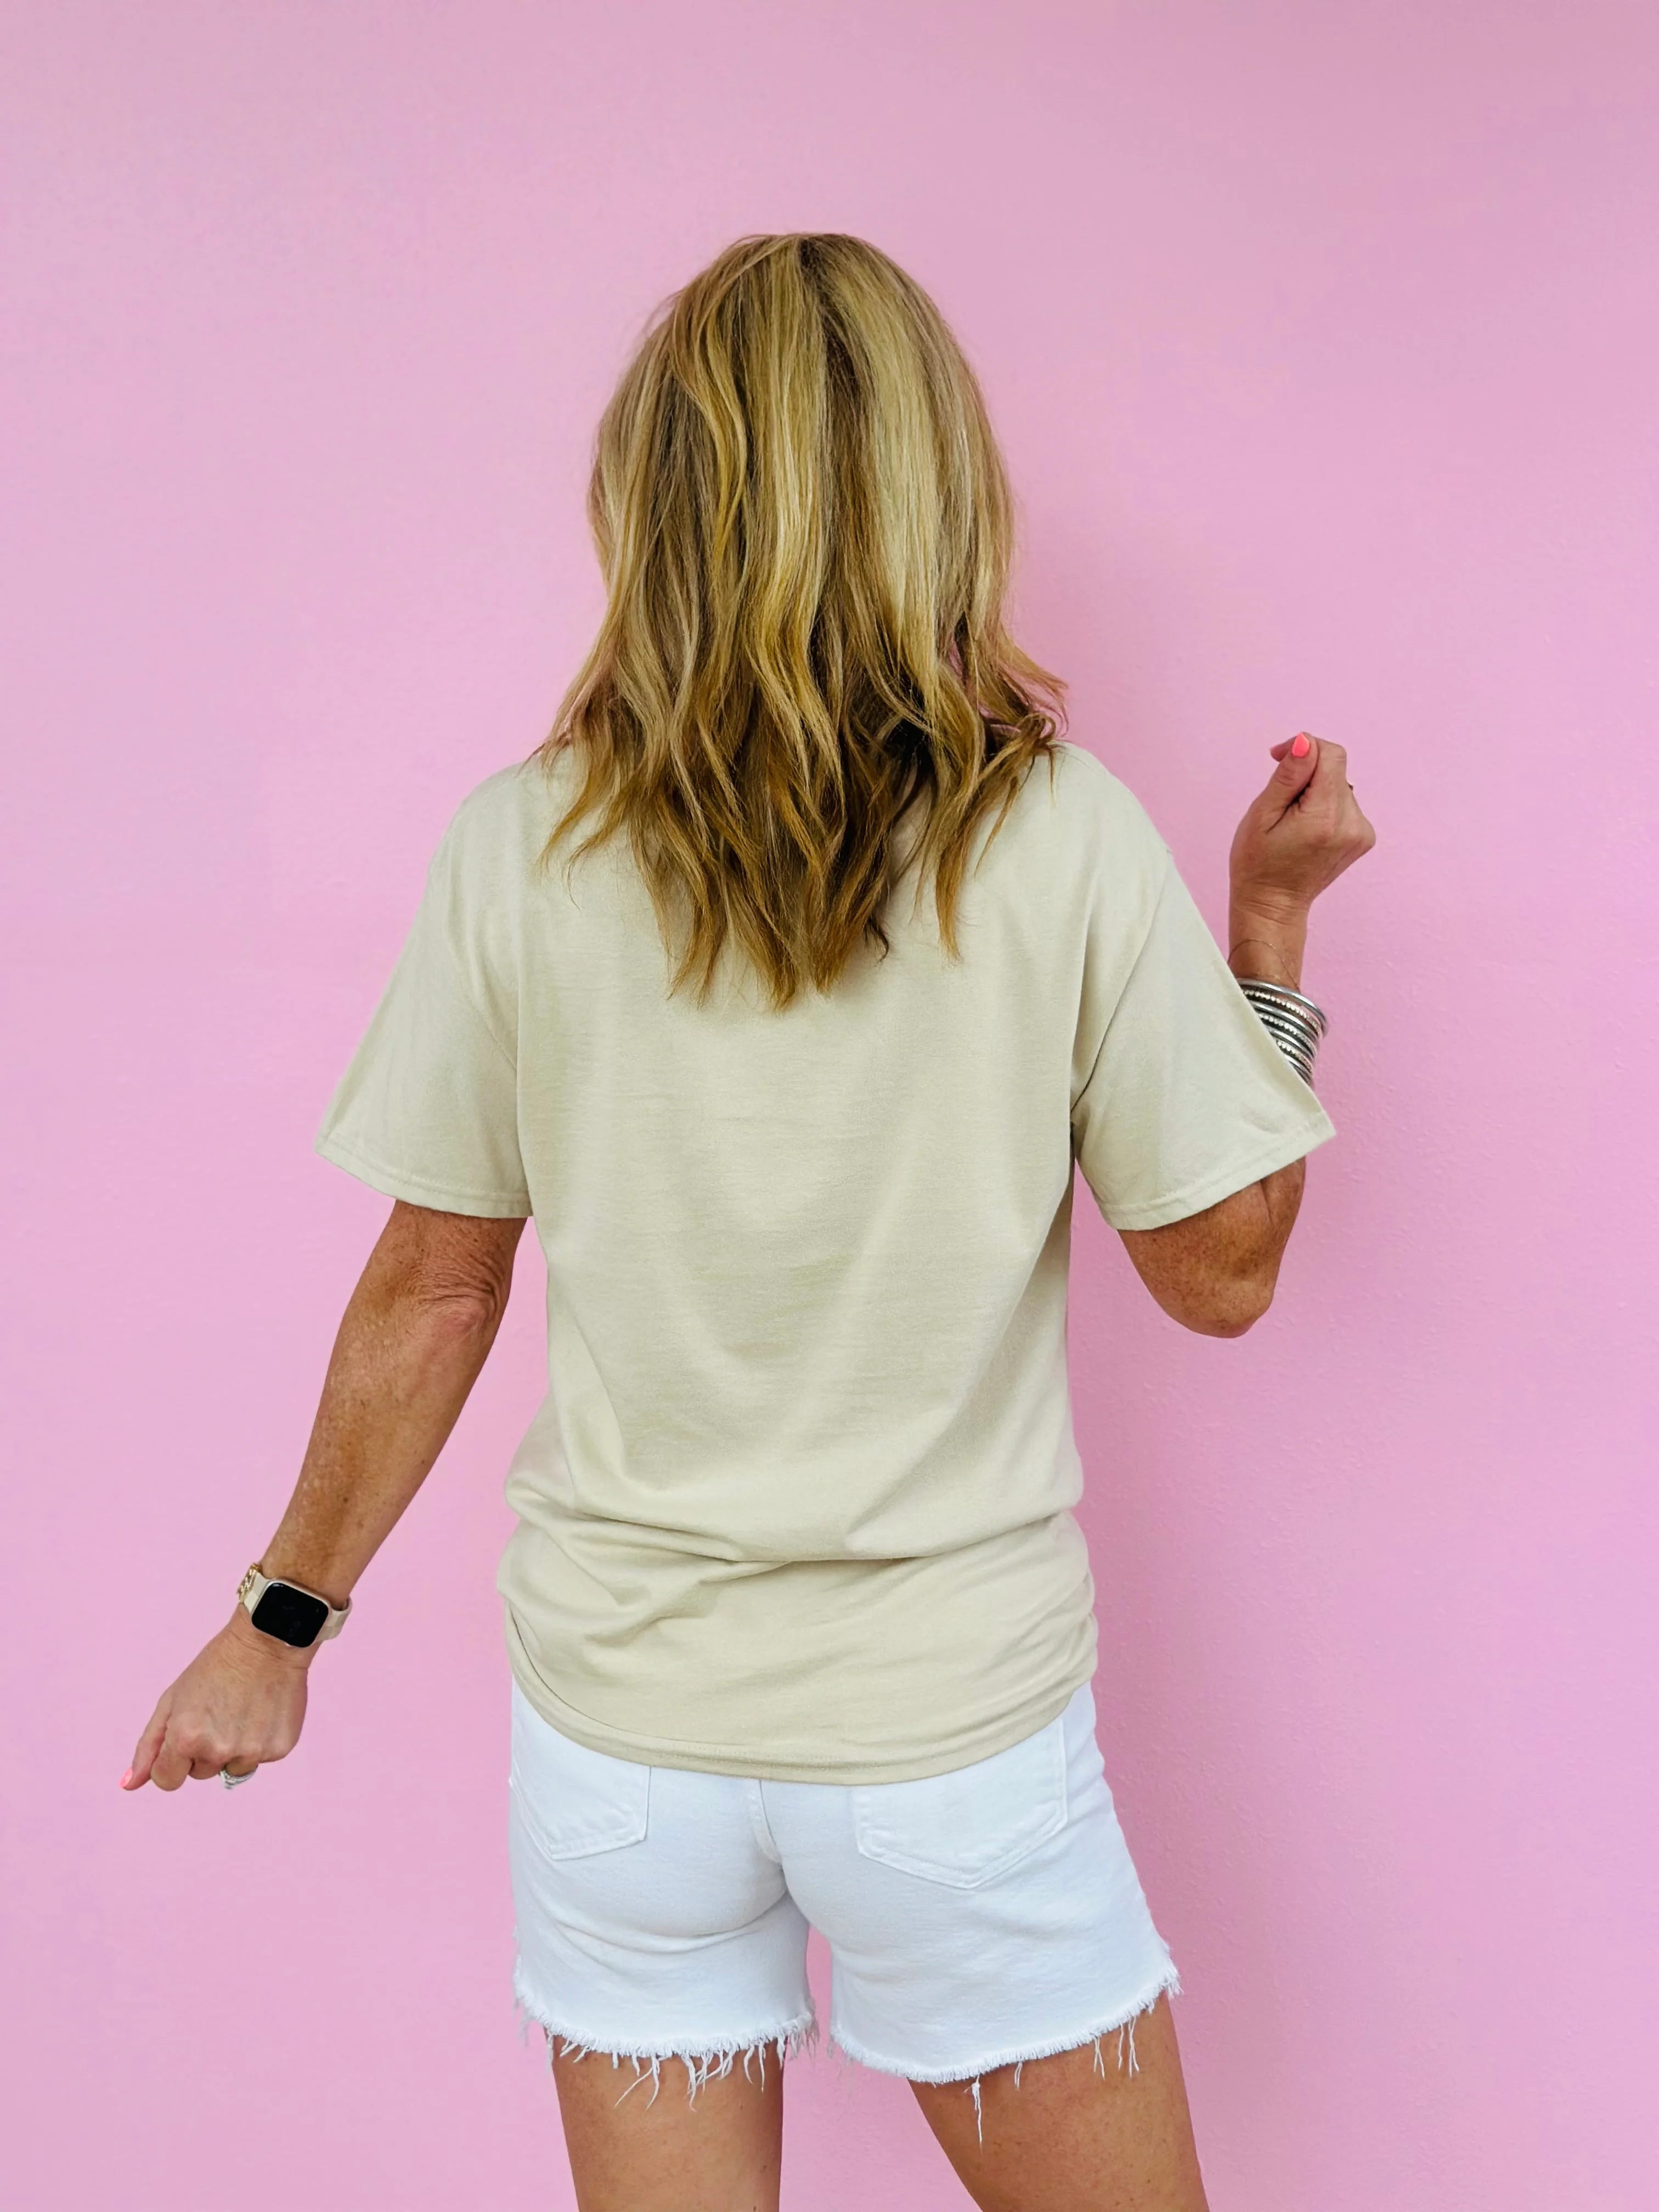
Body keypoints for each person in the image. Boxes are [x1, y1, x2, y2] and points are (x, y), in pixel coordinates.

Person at [123, 233, 1374, 2212]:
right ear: (940, 492)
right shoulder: (1061, 835)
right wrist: (1273, 934)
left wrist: (276, 1627)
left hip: (624, 1758)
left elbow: (435, 1287)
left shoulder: (521, 845)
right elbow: (1221, 1274)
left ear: (658, 499)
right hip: (946, 1742)